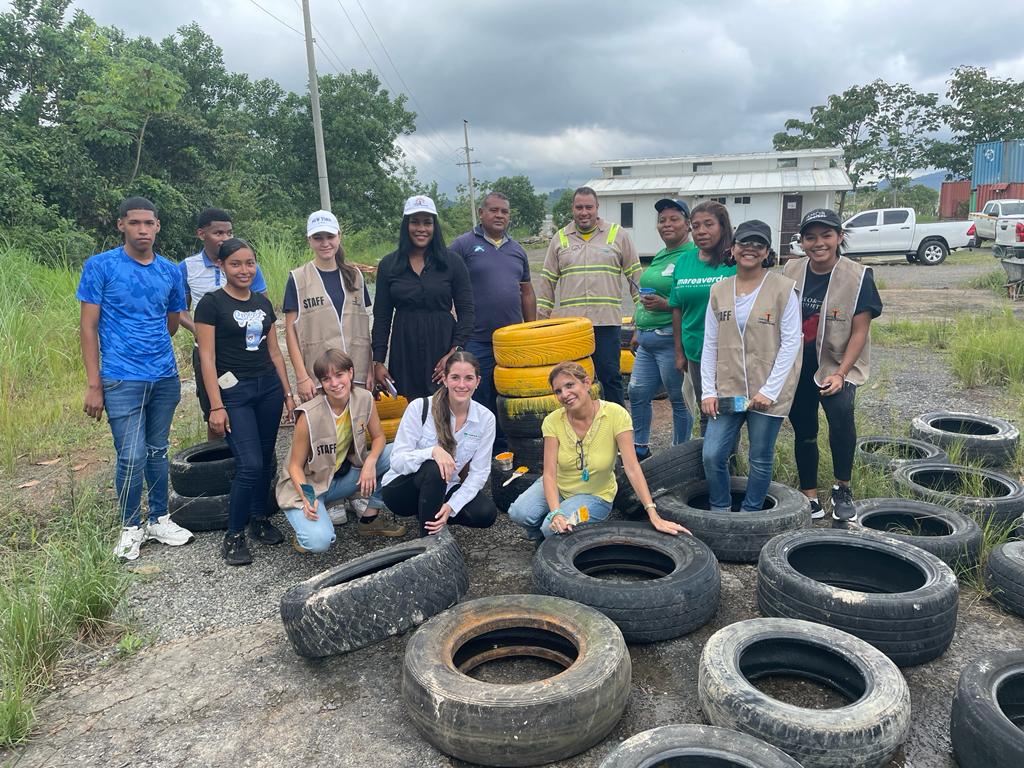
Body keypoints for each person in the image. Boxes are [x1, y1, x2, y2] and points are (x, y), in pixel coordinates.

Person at [77, 196, 194, 561]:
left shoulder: (170, 270)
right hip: (119, 378)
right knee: (131, 455)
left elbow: (174, 318)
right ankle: (131, 526)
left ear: (158, 226)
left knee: (158, 450)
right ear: (121, 225)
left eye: (149, 223)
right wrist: (94, 383)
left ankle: (159, 517)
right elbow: (88, 326)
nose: (143, 230)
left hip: (164, 376)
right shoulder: (101, 267)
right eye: (135, 223)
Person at [194, 238, 293, 565]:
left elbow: (275, 352)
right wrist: (216, 406)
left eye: (250, 263)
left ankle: (259, 520)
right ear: (221, 266)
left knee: (265, 459)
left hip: (268, 389)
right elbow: (207, 358)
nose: (244, 270)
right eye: (236, 263)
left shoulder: (263, 304)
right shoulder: (211, 304)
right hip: (234, 393)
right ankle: (234, 534)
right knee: (249, 464)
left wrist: (288, 394)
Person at [508, 361, 689, 539]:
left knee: (551, 529)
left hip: (594, 495)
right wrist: (556, 512)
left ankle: (551, 534)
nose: (565, 394)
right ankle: (546, 535)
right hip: (559, 487)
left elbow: (633, 468)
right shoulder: (553, 421)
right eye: (558, 391)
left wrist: (652, 513)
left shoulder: (615, 414)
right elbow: (548, 474)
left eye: (570, 385)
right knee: (519, 513)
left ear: (586, 383)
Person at [784, 208, 883, 521]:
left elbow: (860, 330)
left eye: (826, 235)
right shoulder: (791, 269)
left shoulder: (858, 275)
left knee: (841, 419)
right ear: (802, 241)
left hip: (838, 364)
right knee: (804, 426)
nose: (818, 243)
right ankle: (809, 495)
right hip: (800, 364)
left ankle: (842, 487)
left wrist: (841, 374)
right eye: (810, 237)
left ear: (839, 237)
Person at [701, 220, 802, 515]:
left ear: (767, 252)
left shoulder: (784, 289)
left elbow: (791, 343)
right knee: (713, 454)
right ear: (732, 249)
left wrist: (770, 390)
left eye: (758, 244)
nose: (750, 249)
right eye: (744, 243)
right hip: (728, 389)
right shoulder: (719, 291)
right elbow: (710, 344)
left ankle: (751, 514)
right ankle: (720, 509)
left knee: (760, 457)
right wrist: (708, 391)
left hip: (766, 392)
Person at [277, 349, 405, 553]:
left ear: (351, 373)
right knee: (318, 542)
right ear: (321, 383)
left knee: (400, 454)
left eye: (339, 375)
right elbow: (294, 466)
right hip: (311, 484)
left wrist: (371, 462)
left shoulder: (364, 398)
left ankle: (370, 518)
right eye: (327, 379)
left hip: (342, 478)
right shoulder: (308, 415)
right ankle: (305, 527)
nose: (335, 383)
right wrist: (308, 497)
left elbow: (379, 437)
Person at [536, 187, 641, 407]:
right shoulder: (560, 238)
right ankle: (578, 428)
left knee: (610, 376)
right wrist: (541, 321)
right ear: (572, 209)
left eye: (588, 207)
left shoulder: (617, 234)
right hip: (572, 327)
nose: (584, 212)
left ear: (597, 208)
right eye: (579, 207)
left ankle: (617, 428)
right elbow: (547, 281)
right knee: (572, 380)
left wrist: (642, 317)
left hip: (606, 323)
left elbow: (635, 277)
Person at [449, 192, 537, 451]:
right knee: (478, 394)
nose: (500, 216)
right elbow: (444, 282)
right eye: (494, 210)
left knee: (509, 395)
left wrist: (529, 330)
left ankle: (503, 446)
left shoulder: (517, 250)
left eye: (504, 212)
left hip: (511, 342)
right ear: (481, 213)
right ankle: (475, 447)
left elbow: (527, 291)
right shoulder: (463, 245)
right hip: (476, 339)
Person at [381, 351, 497, 537]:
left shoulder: (486, 419)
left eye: (468, 378)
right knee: (435, 467)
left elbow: (479, 473)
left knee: (485, 513)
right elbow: (397, 461)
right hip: (402, 490)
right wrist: (432, 452)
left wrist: (452, 506)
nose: (461, 385)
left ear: (478, 381)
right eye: (455, 377)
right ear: (444, 379)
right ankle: (428, 544)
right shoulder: (420, 407)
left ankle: (432, 512)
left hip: (445, 487)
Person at [372, 195, 475, 400]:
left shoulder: (452, 263)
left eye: (427, 222)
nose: (421, 228)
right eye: (415, 222)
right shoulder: (389, 265)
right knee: (413, 408)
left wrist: (453, 353)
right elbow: (382, 317)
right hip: (405, 346)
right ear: (406, 225)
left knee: (447, 406)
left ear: (434, 226)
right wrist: (378, 362)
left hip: (443, 345)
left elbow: (467, 312)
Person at [179, 208, 269, 441]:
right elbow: (179, 308)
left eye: (229, 232)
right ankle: (217, 469)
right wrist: (197, 328)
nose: (225, 238)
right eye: (218, 233)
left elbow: (262, 303)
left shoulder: (246, 266)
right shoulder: (187, 267)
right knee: (215, 413)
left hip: (243, 351)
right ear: (202, 234)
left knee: (251, 409)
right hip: (208, 353)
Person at [629, 198, 697, 457]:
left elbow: (692, 300)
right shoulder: (661, 255)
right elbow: (645, 295)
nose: (666, 224)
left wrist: (665, 304)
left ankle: (680, 454)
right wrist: (637, 328)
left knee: (679, 400)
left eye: (674, 219)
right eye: (662, 220)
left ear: (687, 225)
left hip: (671, 341)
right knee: (637, 392)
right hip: (646, 341)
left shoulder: (691, 256)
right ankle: (640, 448)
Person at [284, 210, 373, 402]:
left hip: (356, 376)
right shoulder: (298, 278)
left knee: (358, 429)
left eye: (330, 236)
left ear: (339, 237)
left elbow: (364, 329)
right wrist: (301, 377)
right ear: (309, 240)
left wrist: (370, 369)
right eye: (318, 238)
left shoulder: (355, 276)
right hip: (320, 380)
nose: (325, 243)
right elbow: (290, 332)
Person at [670, 200, 737, 436]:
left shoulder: (735, 261)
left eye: (709, 224)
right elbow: (676, 307)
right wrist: (679, 352)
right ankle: (709, 467)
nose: (701, 231)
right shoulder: (685, 261)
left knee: (731, 412)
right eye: (696, 225)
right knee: (705, 409)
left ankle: (729, 463)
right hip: (696, 352)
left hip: (731, 354)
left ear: (723, 226)